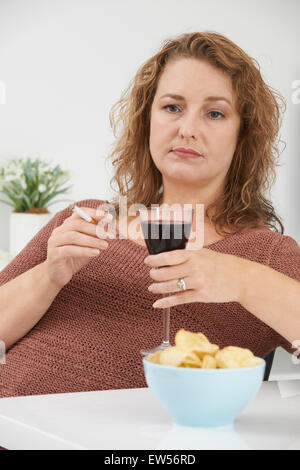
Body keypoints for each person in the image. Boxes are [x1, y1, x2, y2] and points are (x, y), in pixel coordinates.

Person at [0, 31, 299, 399]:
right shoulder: (85, 219)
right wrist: (49, 276)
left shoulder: (268, 255)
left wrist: (246, 280)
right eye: (172, 107)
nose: (187, 130)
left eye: (215, 113)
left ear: (243, 135)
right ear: (147, 121)